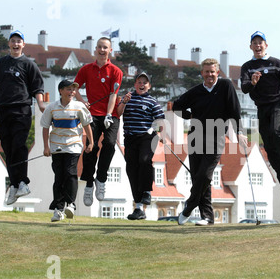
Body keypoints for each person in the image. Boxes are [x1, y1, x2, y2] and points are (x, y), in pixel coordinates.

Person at [173, 58, 246, 226]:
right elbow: (176, 106)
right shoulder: (196, 91)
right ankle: (207, 217)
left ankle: (189, 206)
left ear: (217, 72)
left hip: (216, 136)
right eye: (206, 72)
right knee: (197, 177)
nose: (209, 75)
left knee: (204, 175)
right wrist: (189, 115)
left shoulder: (226, 86)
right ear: (202, 73)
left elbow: (235, 110)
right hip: (195, 137)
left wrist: (240, 132)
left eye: (212, 71)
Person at [0, 30, 45, 205]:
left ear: (23, 45)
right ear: (9, 44)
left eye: (19, 41)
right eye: (13, 41)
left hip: (22, 110)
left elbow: (38, 87)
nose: (16, 44)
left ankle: (22, 181)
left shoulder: (29, 65)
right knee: (8, 149)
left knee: (19, 145)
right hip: (2, 110)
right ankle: (15, 185)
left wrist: (40, 104)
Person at [240, 31, 280, 203]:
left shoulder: (275, 63)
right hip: (261, 106)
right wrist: (252, 82)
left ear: (266, 45)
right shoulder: (247, 67)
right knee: (268, 146)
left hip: (277, 103)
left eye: (261, 43)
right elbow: (244, 88)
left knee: (276, 131)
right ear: (250, 46)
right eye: (255, 43)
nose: (258, 46)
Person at [74, 37, 123, 206]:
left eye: (105, 48)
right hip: (92, 114)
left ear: (110, 50)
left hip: (111, 114)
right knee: (91, 147)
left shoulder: (116, 71)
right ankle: (88, 182)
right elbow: (74, 88)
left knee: (109, 144)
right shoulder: (87, 69)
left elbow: (113, 94)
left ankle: (100, 179)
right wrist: (82, 102)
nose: (102, 50)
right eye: (100, 47)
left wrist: (109, 114)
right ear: (96, 49)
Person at [40, 80, 94, 222]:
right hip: (57, 147)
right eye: (69, 89)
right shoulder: (51, 107)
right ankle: (58, 209)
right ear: (61, 91)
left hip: (74, 145)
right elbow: (45, 127)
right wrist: (46, 147)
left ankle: (70, 204)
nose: (72, 92)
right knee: (59, 177)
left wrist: (91, 142)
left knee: (70, 173)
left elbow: (87, 124)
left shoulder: (79, 106)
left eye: (73, 90)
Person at [117, 72, 166, 220]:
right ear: (135, 84)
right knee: (132, 170)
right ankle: (139, 208)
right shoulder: (128, 98)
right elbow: (118, 113)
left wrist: (161, 134)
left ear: (149, 86)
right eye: (139, 82)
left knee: (144, 161)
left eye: (145, 82)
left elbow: (160, 121)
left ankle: (147, 192)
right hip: (130, 138)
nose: (142, 84)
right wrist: (123, 102)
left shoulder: (153, 102)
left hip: (147, 137)